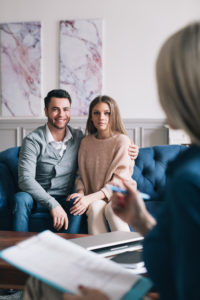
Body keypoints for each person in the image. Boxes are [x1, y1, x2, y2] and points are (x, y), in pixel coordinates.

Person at [23, 21, 200, 300]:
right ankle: (101, 269)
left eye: (163, 86)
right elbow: (180, 259)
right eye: (96, 113)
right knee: (91, 216)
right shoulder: (82, 140)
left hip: (135, 267)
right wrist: (141, 220)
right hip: (137, 257)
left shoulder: (188, 177)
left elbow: (184, 285)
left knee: (39, 285)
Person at [14, 89, 138, 233]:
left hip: (69, 197)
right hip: (37, 197)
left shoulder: (78, 138)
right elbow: (25, 179)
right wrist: (54, 203)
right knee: (20, 199)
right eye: (55, 109)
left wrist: (133, 149)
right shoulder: (33, 140)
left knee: (83, 203)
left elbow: (113, 147)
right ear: (46, 111)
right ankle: (19, 246)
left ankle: (72, 248)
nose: (61, 114)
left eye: (65, 109)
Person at [67, 95, 137, 234]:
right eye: (96, 113)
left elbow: (119, 182)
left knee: (112, 209)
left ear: (114, 115)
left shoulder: (122, 141)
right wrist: (81, 194)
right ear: (91, 117)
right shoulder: (86, 142)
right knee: (94, 208)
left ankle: (128, 253)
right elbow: (80, 175)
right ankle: (101, 255)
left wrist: (88, 198)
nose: (101, 117)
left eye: (107, 113)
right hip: (97, 197)